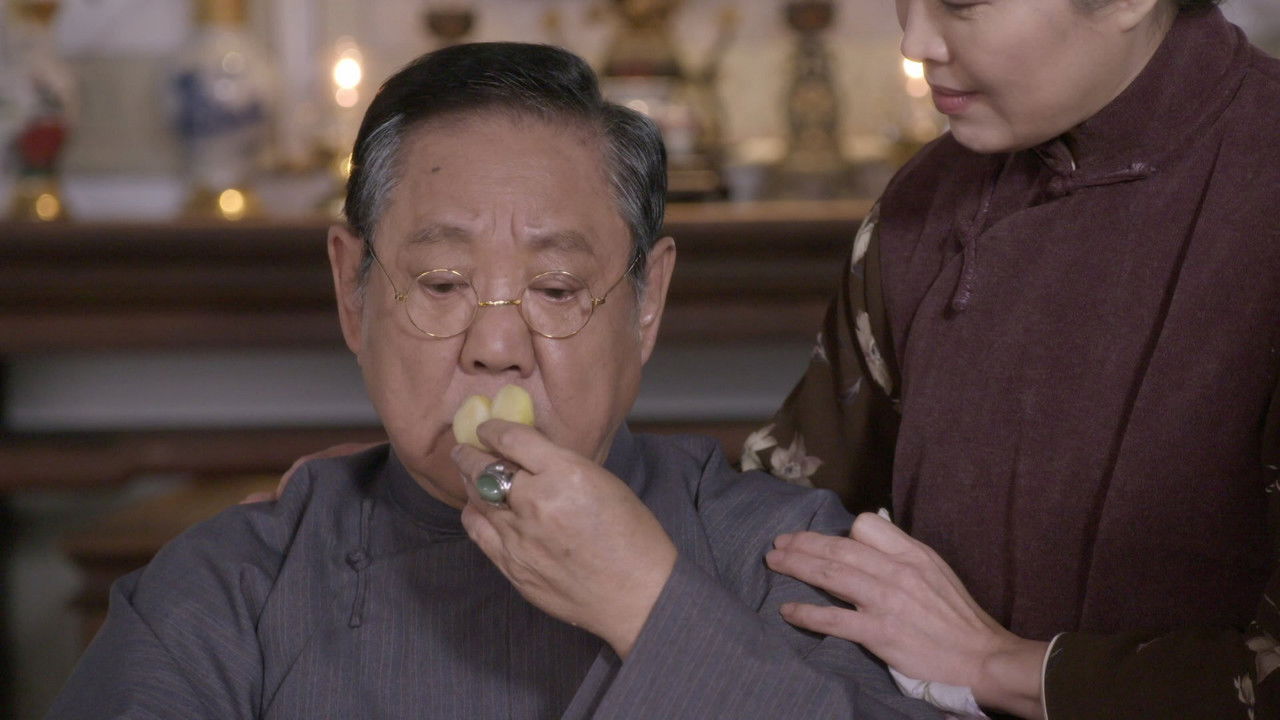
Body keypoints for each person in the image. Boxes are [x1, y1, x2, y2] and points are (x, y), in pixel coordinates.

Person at [46, 43, 942, 720]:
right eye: (442, 284)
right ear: (353, 292)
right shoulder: (229, 589)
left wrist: (649, 603)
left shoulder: (783, 558)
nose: (497, 346)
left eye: (556, 289)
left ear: (646, 303)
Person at [754, 0, 1280, 718]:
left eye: (961, 3)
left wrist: (1001, 666)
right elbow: (792, 515)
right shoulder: (926, 200)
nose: (915, 43)